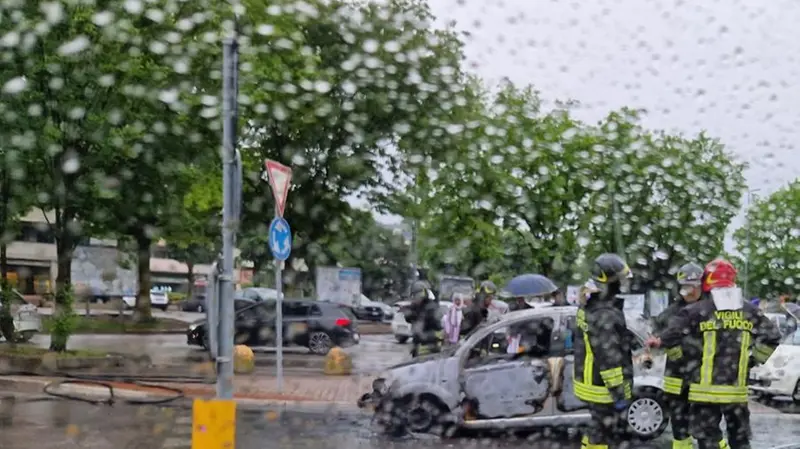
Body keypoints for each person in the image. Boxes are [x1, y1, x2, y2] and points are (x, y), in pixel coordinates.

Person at [646, 259, 782, 449]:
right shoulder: (749, 311)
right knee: (740, 441)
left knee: (708, 439)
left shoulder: (696, 311)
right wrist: (751, 361)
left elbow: (669, 336)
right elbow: (773, 336)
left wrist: (667, 348)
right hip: (737, 393)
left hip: (705, 393)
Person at [572, 253, 635, 449]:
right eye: (620, 280)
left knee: (595, 430)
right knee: (603, 435)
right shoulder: (605, 314)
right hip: (602, 387)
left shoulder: (591, 306)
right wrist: (618, 393)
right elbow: (608, 356)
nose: (623, 284)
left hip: (590, 380)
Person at [650, 262, 704, 449]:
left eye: (693, 287)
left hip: (702, 378)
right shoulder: (671, 313)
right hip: (676, 378)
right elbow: (657, 336)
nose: (689, 291)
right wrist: (670, 348)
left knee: (705, 427)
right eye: (685, 287)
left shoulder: (710, 310)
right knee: (679, 427)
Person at [403, 280, 444, 357]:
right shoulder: (415, 306)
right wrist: (409, 313)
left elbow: (437, 328)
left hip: (429, 345)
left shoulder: (431, 307)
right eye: (414, 296)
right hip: (417, 344)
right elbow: (409, 319)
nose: (415, 298)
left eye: (417, 296)